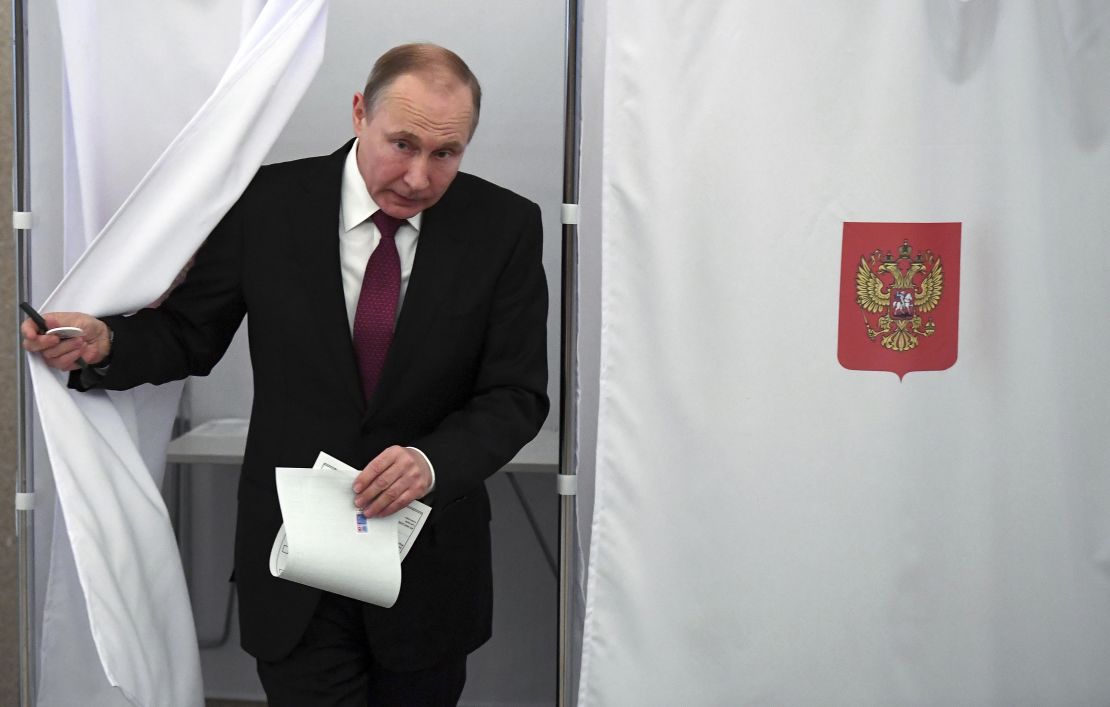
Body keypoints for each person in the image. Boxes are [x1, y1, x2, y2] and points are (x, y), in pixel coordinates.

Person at [22, 43, 549, 706]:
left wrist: (430, 460)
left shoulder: (503, 227)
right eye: (402, 143)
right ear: (360, 112)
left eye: (445, 153)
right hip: (295, 563)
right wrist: (106, 344)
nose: (418, 176)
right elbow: (189, 333)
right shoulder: (266, 203)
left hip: (427, 571)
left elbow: (517, 394)